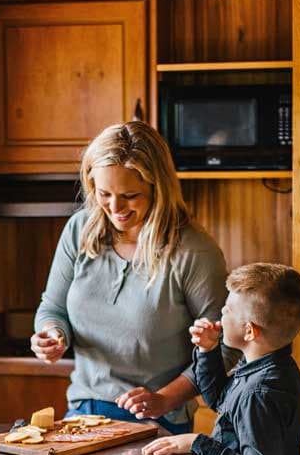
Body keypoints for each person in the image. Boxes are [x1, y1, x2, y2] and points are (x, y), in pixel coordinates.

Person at [30, 121, 239, 434]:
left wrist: (164, 399)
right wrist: (52, 334)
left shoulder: (194, 251)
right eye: (104, 193)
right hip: (83, 413)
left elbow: (226, 345)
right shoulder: (79, 230)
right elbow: (53, 308)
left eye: (129, 195)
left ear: (158, 188)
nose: (115, 208)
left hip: (159, 421)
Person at [142, 262, 300, 455]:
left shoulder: (260, 392)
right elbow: (220, 400)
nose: (222, 312)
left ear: (250, 331)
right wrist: (208, 350)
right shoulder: (267, 366)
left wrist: (197, 443)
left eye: (228, 309)